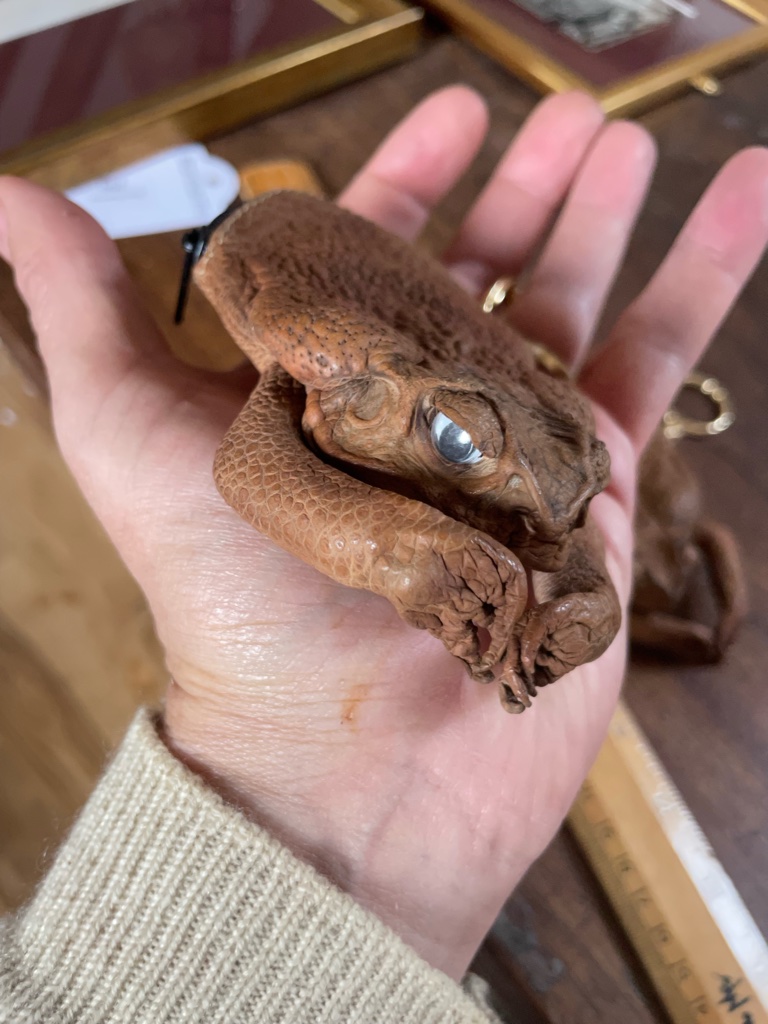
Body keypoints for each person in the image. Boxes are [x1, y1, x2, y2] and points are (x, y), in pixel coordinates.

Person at [0, 86, 765, 1023]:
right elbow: (251, 467)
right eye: (455, 441)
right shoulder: (332, 375)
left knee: (517, 470)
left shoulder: (519, 445)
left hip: (451, 357)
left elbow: (554, 508)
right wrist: (405, 557)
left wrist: (569, 578)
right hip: (345, 315)